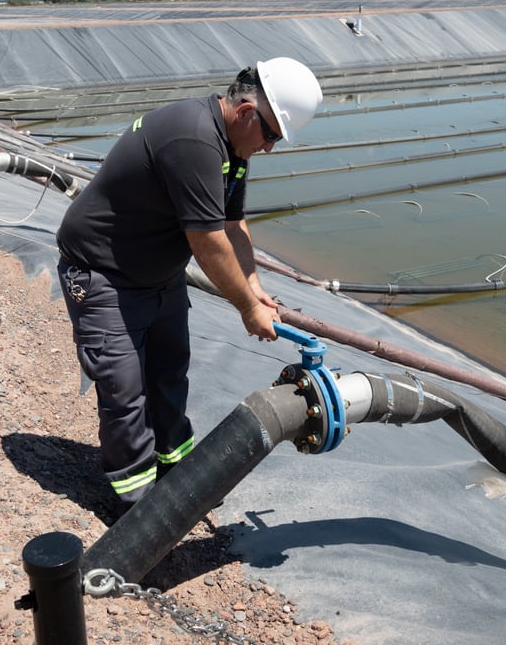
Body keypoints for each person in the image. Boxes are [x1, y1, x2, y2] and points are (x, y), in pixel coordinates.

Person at [55, 57, 324, 510]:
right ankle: (139, 509)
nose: (271, 148)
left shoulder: (233, 148)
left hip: (158, 276)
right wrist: (247, 308)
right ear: (245, 113)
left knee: (168, 374)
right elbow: (206, 239)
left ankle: (175, 470)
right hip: (104, 274)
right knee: (125, 391)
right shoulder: (194, 137)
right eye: (272, 135)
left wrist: (254, 284)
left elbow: (233, 224)